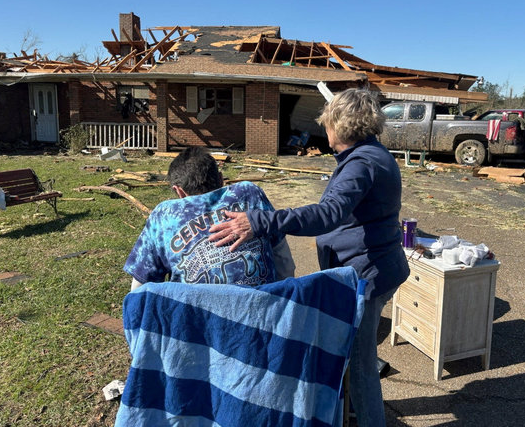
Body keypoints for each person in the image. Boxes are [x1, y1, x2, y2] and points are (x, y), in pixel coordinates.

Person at [209, 88, 409, 427]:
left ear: (340, 127)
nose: (324, 131)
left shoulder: (362, 163)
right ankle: (348, 411)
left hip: (368, 274)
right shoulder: (368, 155)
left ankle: (370, 419)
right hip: (371, 268)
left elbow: (329, 214)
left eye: (327, 124)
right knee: (350, 354)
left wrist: (260, 221)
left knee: (361, 365)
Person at [123, 147, 295, 291]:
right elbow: (282, 258)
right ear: (220, 179)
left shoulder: (164, 215)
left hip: (198, 322)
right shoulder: (249, 193)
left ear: (179, 191)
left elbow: (141, 287)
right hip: (263, 316)